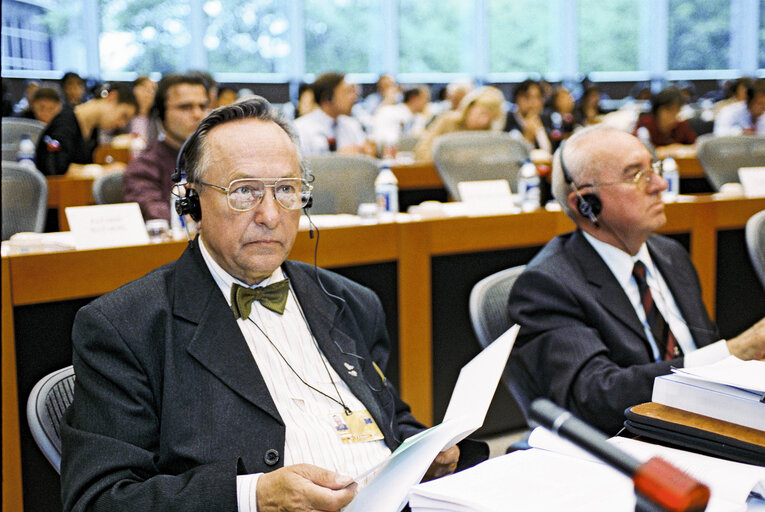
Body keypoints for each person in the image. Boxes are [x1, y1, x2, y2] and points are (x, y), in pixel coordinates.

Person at [61, 97, 487, 512]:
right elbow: (100, 498)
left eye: (286, 190)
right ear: (192, 202)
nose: (270, 214)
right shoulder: (126, 326)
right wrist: (253, 497)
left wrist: (426, 452)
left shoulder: (351, 302)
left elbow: (389, 422)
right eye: (244, 191)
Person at [506, 126, 765, 435]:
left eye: (652, 168)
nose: (658, 184)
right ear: (587, 204)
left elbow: (699, 348)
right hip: (630, 442)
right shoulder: (547, 286)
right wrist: (732, 352)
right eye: (635, 175)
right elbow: (597, 397)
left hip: (710, 420)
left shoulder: (670, 255)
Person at [123, 73, 209, 221]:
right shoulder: (143, 168)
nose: (197, 114)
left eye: (202, 106)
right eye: (185, 107)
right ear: (162, 115)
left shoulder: (218, 158)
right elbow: (157, 215)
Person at [35, 83, 137, 175]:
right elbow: (56, 168)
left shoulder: (93, 129)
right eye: (124, 116)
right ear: (112, 97)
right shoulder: (65, 122)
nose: (122, 124)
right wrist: (102, 171)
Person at [414, 85, 505, 162]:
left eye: (489, 117)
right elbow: (422, 152)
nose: (483, 120)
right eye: (481, 113)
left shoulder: (489, 136)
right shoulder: (447, 121)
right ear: (469, 108)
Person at [294, 72, 376, 156]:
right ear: (328, 97)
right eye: (347, 92)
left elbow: (367, 155)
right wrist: (338, 157)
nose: (354, 97)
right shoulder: (300, 128)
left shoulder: (351, 125)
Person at [632, 86, 697, 159]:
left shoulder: (680, 124)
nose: (673, 114)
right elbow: (639, 151)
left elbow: (696, 147)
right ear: (657, 109)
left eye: (676, 110)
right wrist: (671, 149)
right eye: (669, 110)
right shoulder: (645, 124)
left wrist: (677, 148)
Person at [504, 79, 551, 153]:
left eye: (538, 97)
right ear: (517, 98)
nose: (534, 103)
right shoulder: (507, 121)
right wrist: (528, 137)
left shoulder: (546, 119)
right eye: (528, 97)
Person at [542, 85, 580, 152]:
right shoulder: (548, 116)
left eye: (569, 96)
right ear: (555, 100)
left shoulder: (577, 115)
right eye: (563, 98)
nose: (568, 100)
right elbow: (551, 135)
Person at [129, 75, 158, 142]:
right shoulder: (123, 116)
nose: (149, 92)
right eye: (144, 87)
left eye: (153, 88)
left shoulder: (157, 120)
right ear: (134, 90)